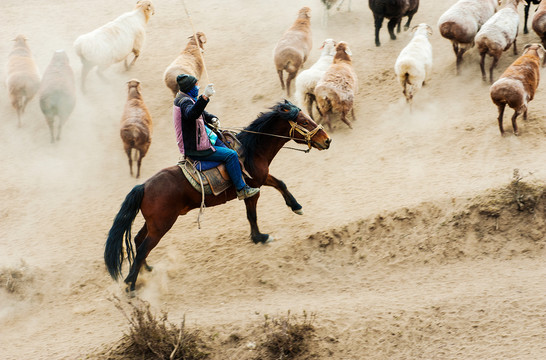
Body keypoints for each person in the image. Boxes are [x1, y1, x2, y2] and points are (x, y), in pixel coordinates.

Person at [173, 74, 260, 200]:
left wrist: (211, 117)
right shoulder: (184, 102)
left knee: (227, 144)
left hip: (199, 137)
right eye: (196, 85)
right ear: (189, 87)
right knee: (231, 155)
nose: (198, 87)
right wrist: (205, 96)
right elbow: (192, 114)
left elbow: (200, 111)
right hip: (195, 147)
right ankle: (242, 189)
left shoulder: (184, 97)